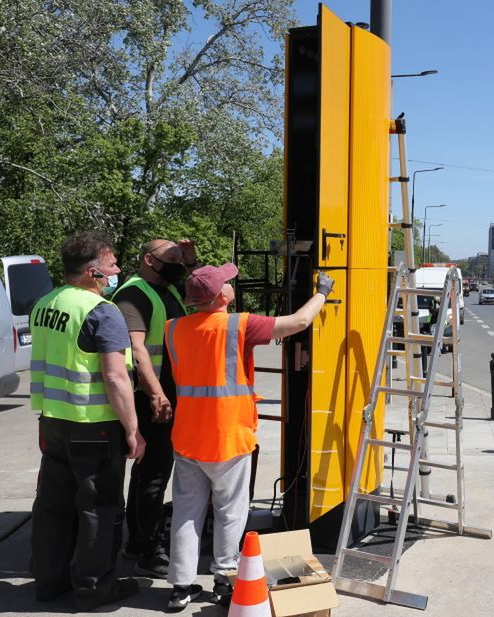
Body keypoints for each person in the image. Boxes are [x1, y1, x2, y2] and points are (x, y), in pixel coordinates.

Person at [162, 263, 333, 611]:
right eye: (227, 282)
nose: (232, 284)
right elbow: (298, 322)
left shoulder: (173, 328)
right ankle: (224, 578)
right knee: (230, 511)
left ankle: (180, 587)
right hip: (227, 436)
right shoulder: (239, 324)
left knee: (187, 512)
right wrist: (323, 292)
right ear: (220, 295)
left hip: (187, 437)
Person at [29, 232, 146, 611]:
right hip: (93, 426)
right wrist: (132, 429)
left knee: (53, 507)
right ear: (94, 272)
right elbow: (115, 377)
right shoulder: (102, 311)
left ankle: (49, 583)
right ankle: (95, 589)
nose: (117, 272)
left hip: (53, 422)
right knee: (100, 509)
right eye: (112, 266)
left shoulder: (44, 304)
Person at [112, 239, 198, 578]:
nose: (178, 264)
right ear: (149, 259)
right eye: (172, 258)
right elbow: (137, 348)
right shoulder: (133, 295)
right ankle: (148, 548)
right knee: (154, 474)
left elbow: (206, 292)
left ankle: (137, 541)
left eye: (180, 259)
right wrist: (156, 394)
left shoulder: (168, 290)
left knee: (150, 471)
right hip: (150, 397)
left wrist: (191, 262)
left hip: (168, 394)